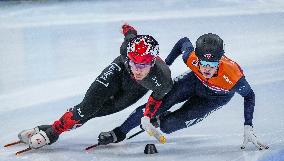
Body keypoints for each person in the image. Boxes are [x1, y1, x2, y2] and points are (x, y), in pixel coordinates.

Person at [17, 24, 173, 149]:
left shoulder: (163, 79)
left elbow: (155, 99)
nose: (137, 70)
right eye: (133, 62)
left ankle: (48, 128)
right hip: (118, 73)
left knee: (96, 112)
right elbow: (130, 33)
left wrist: (147, 116)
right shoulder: (126, 49)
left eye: (143, 65)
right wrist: (127, 28)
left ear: (152, 62)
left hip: (135, 90)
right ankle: (51, 133)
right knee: (87, 108)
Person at [106, 33, 268, 150]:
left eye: (211, 65)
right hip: (193, 81)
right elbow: (183, 41)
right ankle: (119, 132)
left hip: (216, 98)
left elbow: (249, 95)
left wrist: (248, 125)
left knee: (168, 126)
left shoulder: (233, 76)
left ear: (220, 61)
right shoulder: (190, 57)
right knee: (156, 104)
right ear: (197, 58)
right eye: (203, 63)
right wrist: (166, 64)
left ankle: (161, 120)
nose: (206, 69)